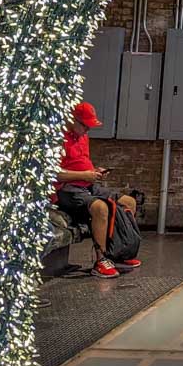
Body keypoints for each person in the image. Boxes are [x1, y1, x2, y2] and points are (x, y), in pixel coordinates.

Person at [54, 102, 141, 279]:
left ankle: (121, 251)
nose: (87, 130)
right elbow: (55, 174)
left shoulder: (83, 137)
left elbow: (82, 163)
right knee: (100, 208)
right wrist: (84, 175)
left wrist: (93, 173)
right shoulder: (58, 138)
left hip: (87, 184)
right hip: (67, 189)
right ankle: (101, 260)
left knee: (128, 202)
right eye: (85, 125)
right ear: (72, 120)